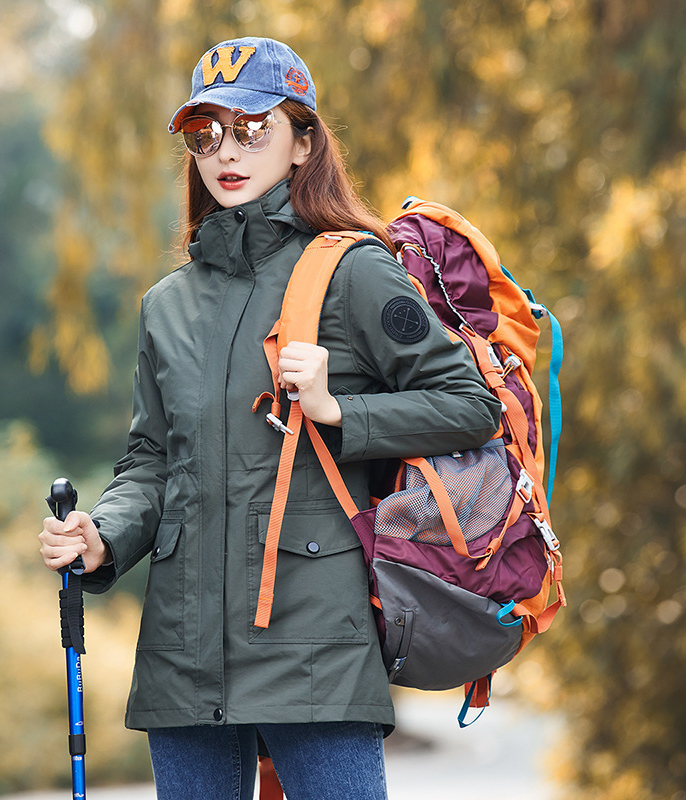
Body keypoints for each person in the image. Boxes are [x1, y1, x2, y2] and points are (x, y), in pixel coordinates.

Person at [40, 36, 502, 800]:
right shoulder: (167, 307)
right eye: (206, 132)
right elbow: (151, 460)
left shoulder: (354, 271)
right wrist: (103, 536)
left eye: (253, 128)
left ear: (303, 141)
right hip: (183, 652)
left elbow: (468, 406)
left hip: (314, 644)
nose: (226, 150)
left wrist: (335, 410)